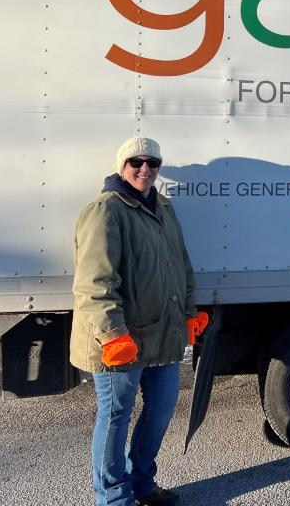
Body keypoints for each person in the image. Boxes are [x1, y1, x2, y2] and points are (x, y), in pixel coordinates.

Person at [70, 136, 208, 506]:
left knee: (161, 410)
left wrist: (191, 312)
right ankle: (114, 498)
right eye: (136, 162)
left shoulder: (163, 208)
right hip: (120, 341)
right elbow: (94, 283)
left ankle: (142, 485)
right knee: (115, 417)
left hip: (163, 334)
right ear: (122, 166)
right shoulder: (105, 210)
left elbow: (181, 265)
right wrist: (113, 334)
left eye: (153, 163)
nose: (145, 169)